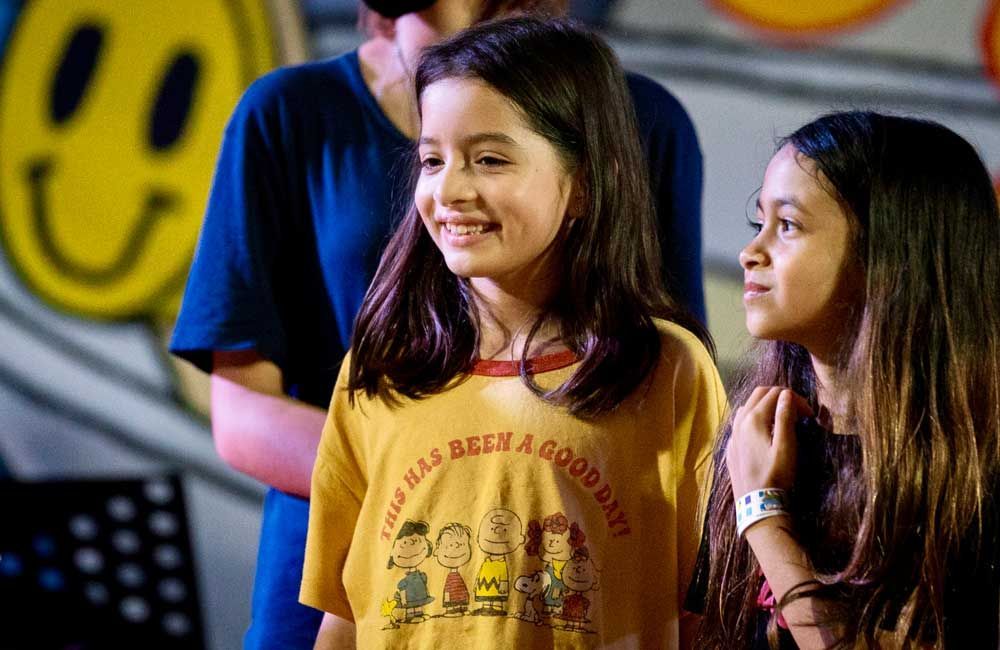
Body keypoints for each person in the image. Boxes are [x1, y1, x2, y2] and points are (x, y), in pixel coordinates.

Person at [169, 0, 705, 647]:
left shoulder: (640, 122)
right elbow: (241, 412)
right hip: (362, 579)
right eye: (430, 161)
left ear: (589, 181)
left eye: (491, 159)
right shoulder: (289, 113)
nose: (450, 191)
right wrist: (443, 469)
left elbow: (691, 564)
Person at [687, 111, 1000, 648]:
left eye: (788, 226)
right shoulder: (757, 439)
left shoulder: (973, 477)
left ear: (886, 259)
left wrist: (763, 515)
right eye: (758, 224)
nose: (750, 253)